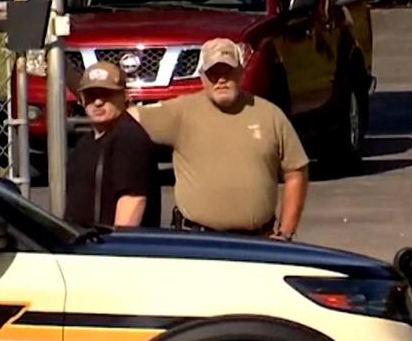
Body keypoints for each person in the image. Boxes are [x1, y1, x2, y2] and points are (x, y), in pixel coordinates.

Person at [130, 38, 308, 240]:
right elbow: (124, 120)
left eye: (227, 71)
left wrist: (285, 232)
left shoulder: (269, 115)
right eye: (213, 73)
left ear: (241, 72)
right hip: (197, 242)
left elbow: (296, 171)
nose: (221, 79)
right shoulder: (181, 112)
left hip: (259, 242)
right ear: (202, 77)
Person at [63, 62, 161, 229]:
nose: (98, 102)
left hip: (110, 249)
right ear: (82, 99)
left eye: (106, 94)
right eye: (91, 95)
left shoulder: (129, 139)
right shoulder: (85, 143)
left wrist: (117, 247)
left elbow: (133, 200)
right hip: (84, 247)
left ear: (125, 96)